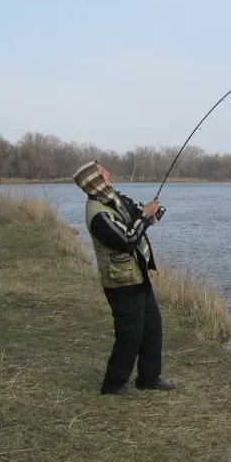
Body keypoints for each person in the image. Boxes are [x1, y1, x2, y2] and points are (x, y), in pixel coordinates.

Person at [72, 159, 176, 395]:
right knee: (130, 332)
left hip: (137, 274)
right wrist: (143, 217)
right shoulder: (98, 215)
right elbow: (127, 239)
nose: (108, 172)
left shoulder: (113, 198)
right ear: (94, 180)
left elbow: (134, 216)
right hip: (121, 282)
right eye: (102, 171)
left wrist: (149, 216)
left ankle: (149, 378)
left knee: (152, 326)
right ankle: (114, 384)